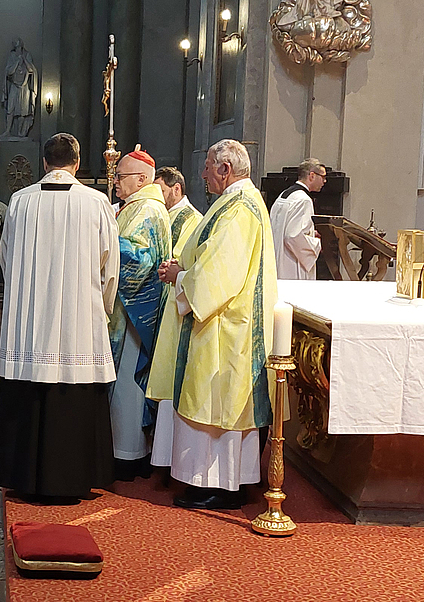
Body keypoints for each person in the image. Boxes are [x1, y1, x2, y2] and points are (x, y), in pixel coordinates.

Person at [0, 133, 119, 501]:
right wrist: (101, 309)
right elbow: (109, 266)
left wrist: (26, 296)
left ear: (45, 163)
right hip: (78, 322)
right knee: (74, 390)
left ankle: (25, 476)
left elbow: (6, 256)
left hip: (29, 324)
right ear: (77, 163)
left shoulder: (20, 201)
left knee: (29, 389)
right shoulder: (97, 202)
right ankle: (72, 478)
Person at [156, 139, 277, 510]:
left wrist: (181, 276)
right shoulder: (237, 202)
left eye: (208, 166)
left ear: (225, 169)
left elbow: (218, 274)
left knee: (218, 407)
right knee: (214, 407)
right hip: (224, 323)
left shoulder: (239, 209)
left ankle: (221, 486)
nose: (204, 173)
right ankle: (212, 482)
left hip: (225, 328)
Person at [107, 148, 171, 481]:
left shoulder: (146, 210)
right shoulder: (137, 207)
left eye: (120, 176)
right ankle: (124, 449)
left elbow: (141, 261)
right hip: (128, 309)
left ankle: (127, 454)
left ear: (142, 179)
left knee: (127, 386)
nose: (115, 182)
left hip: (134, 314)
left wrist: (103, 240)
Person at [147, 167, 203, 474]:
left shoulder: (190, 219)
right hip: (164, 300)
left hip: (174, 303)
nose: (157, 195)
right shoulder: (166, 214)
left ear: (176, 189)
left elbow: (179, 262)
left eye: (161, 189)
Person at [270, 158, 324, 280]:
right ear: (312, 175)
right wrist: (317, 244)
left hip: (277, 259)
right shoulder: (303, 200)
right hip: (292, 266)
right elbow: (293, 236)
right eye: (323, 177)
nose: (324, 181)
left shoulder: (285, 195)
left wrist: (310, 232)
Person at [0, 38, 38, 138]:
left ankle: (20, 133)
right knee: (10, 108)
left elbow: (31, 69)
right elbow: (9, 72)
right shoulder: (12, 56)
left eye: (19, 46)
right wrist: (17, 61)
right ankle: (8, 130)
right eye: (16, 47)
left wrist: (24, 60)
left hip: (25, 87)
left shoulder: (27, 55)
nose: (18, 48)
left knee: (22, 111)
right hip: (14, 85)